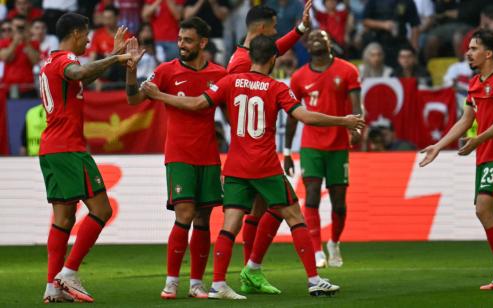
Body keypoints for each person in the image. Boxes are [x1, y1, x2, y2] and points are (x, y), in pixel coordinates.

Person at [142, 34, 365, 299]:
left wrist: (160, 95)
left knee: (229, 225)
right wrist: (344, 121)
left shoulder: (229, 81)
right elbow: (305, 116)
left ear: (250, 57)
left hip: (236, 166)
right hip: (265, 166)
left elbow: (197, 103)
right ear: (273, 58)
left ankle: (218, 284)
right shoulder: (277, 87)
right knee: (295, 216)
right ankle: (314, 280)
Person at [126, 17, 227, 300]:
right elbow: (134, 99)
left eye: (188, 40)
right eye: (180, 39)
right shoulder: (165, 71)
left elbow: (230, 114)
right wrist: (131, 72)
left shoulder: (220, 74)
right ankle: (171, 281)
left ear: (203, 43)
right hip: (179, 154)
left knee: (204, 218)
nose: (181, 45)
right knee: (184, 214)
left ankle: (196, 283)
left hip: (208, 155)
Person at [38, 12, 136, 303]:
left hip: (52, 149)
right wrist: (117, 59)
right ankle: (68, 272)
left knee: (63, 218)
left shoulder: (50, 62)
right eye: (87, 34)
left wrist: (115, 53)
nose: (90, 39)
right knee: (102, 210)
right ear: (77, 33)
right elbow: (80, 73)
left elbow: (86, 73)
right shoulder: (65, 61)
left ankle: (52, 286)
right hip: (68, 148)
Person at [419, 29, 493, 290]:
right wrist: (439, 146)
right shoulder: (475, 83)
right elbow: (466, 120)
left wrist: (478, 140)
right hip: (486, 156)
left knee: (482, 209)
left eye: (474, 48)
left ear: (488, 53)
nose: (468, 52)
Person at [225, 3, 312, 295]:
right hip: (253, 153)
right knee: (269, 210)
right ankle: (251, 268)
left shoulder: (245, 57)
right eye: (274, 27)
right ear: (261, 29)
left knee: (263, 210)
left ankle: (251, 270)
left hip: (253, 153)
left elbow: (273, 49)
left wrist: (300, 29)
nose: (276, 32)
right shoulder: (239, 66)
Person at [284, 30, 362, 268]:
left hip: (338, 145)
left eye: (322, 36)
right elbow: (292, 116)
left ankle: (334, 243)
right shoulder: (298, 77)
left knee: (339, 203)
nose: (316, 38)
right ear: (306, 46)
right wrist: (287, 151)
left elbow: (357, 105)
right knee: (313, 195)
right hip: (311, 145)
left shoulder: (347, 70)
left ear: (330, 43)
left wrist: (356, 130)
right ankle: (317, 250)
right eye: (311, 37)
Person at [0, 15, 40, 98]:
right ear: (12, 27)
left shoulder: (33, 43)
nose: (19, 29)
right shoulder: (4, 42)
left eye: (21, 27)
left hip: (27, 87)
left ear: (26, 27)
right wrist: (15, 43)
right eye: (16, 26)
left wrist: (26, 43)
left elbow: (35, 61)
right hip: (8, 88)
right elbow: (5, 58)